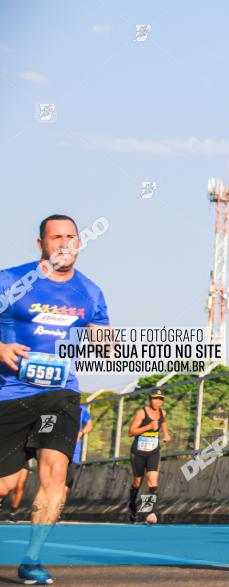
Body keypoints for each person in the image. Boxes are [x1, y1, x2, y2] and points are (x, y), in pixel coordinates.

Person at [0, 215, 111, 585]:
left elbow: (102, 338)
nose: (64, 243)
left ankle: (32, 559)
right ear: (41, 245)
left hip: (61, 396)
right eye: (56, 237)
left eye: (71, 237)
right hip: (11, 394)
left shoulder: (91, 292)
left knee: (55, 474)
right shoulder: (12, 281)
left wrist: (108, 344)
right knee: (5, 484)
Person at [127, 390, 171, 523]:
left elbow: (163, 422)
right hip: (138, 452)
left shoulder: (162, 412)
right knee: (137, 482)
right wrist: (148, 426)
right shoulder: (141, 413)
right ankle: (132, 507)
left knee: (152, 482)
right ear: (150, 399)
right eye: (154, 399)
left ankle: (150, 513)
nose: (157, 401)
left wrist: (166, 434)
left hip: (153, 451)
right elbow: (131, 432)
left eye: (160, 399)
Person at [65, 404, 92, 498]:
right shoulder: (55, 404)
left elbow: (89, 425)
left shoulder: (82, 408)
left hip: (74, 451)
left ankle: (57, 509)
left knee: (67, 483)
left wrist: (81, 433)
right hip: (56, 449)